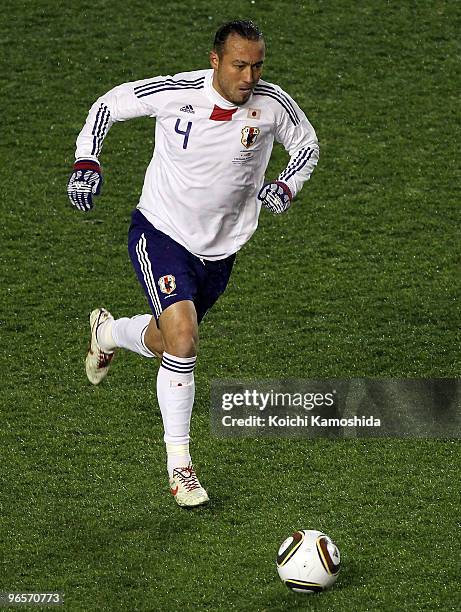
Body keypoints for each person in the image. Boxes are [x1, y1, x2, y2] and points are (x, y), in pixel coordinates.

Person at [67, 20, 319, 507]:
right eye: (239, 65)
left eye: (257, 64)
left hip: (222, 251)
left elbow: (306, 144)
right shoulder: (176, 92)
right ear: (215, 61)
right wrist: (87, 161)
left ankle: (109, 333)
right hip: (161, 231)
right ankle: (181, 468)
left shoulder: (272, 105)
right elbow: (108, 105)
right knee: (184, 337)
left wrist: (286, 185)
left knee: (169, 340)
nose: (249, 76)